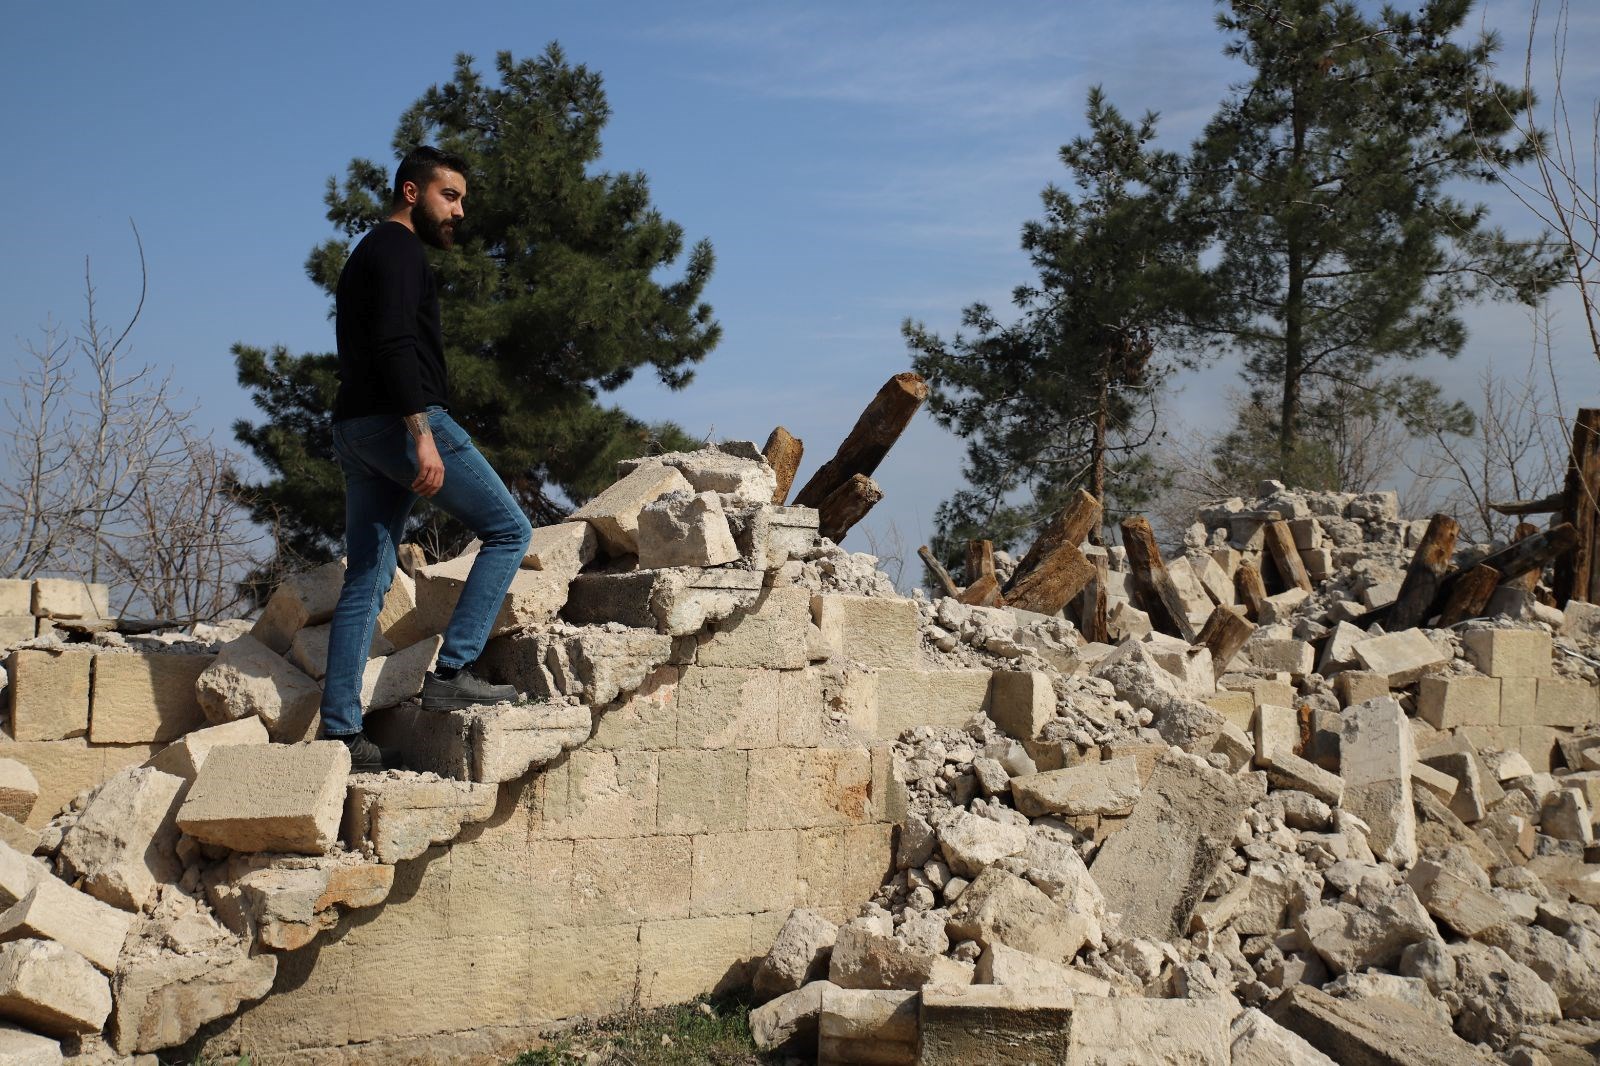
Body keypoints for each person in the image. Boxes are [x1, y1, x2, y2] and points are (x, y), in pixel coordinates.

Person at [318, 145, 532, 772]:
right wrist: (422, 432)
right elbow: (394, 341)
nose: (460, 211)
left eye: (463, 199)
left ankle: (341, 734)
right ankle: (454, 671)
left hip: (353, 427)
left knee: (367, 576)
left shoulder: (366, 252)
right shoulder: (400, 248)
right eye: (450, 196)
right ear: (412, 192)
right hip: (398, 422)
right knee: (508, 529)